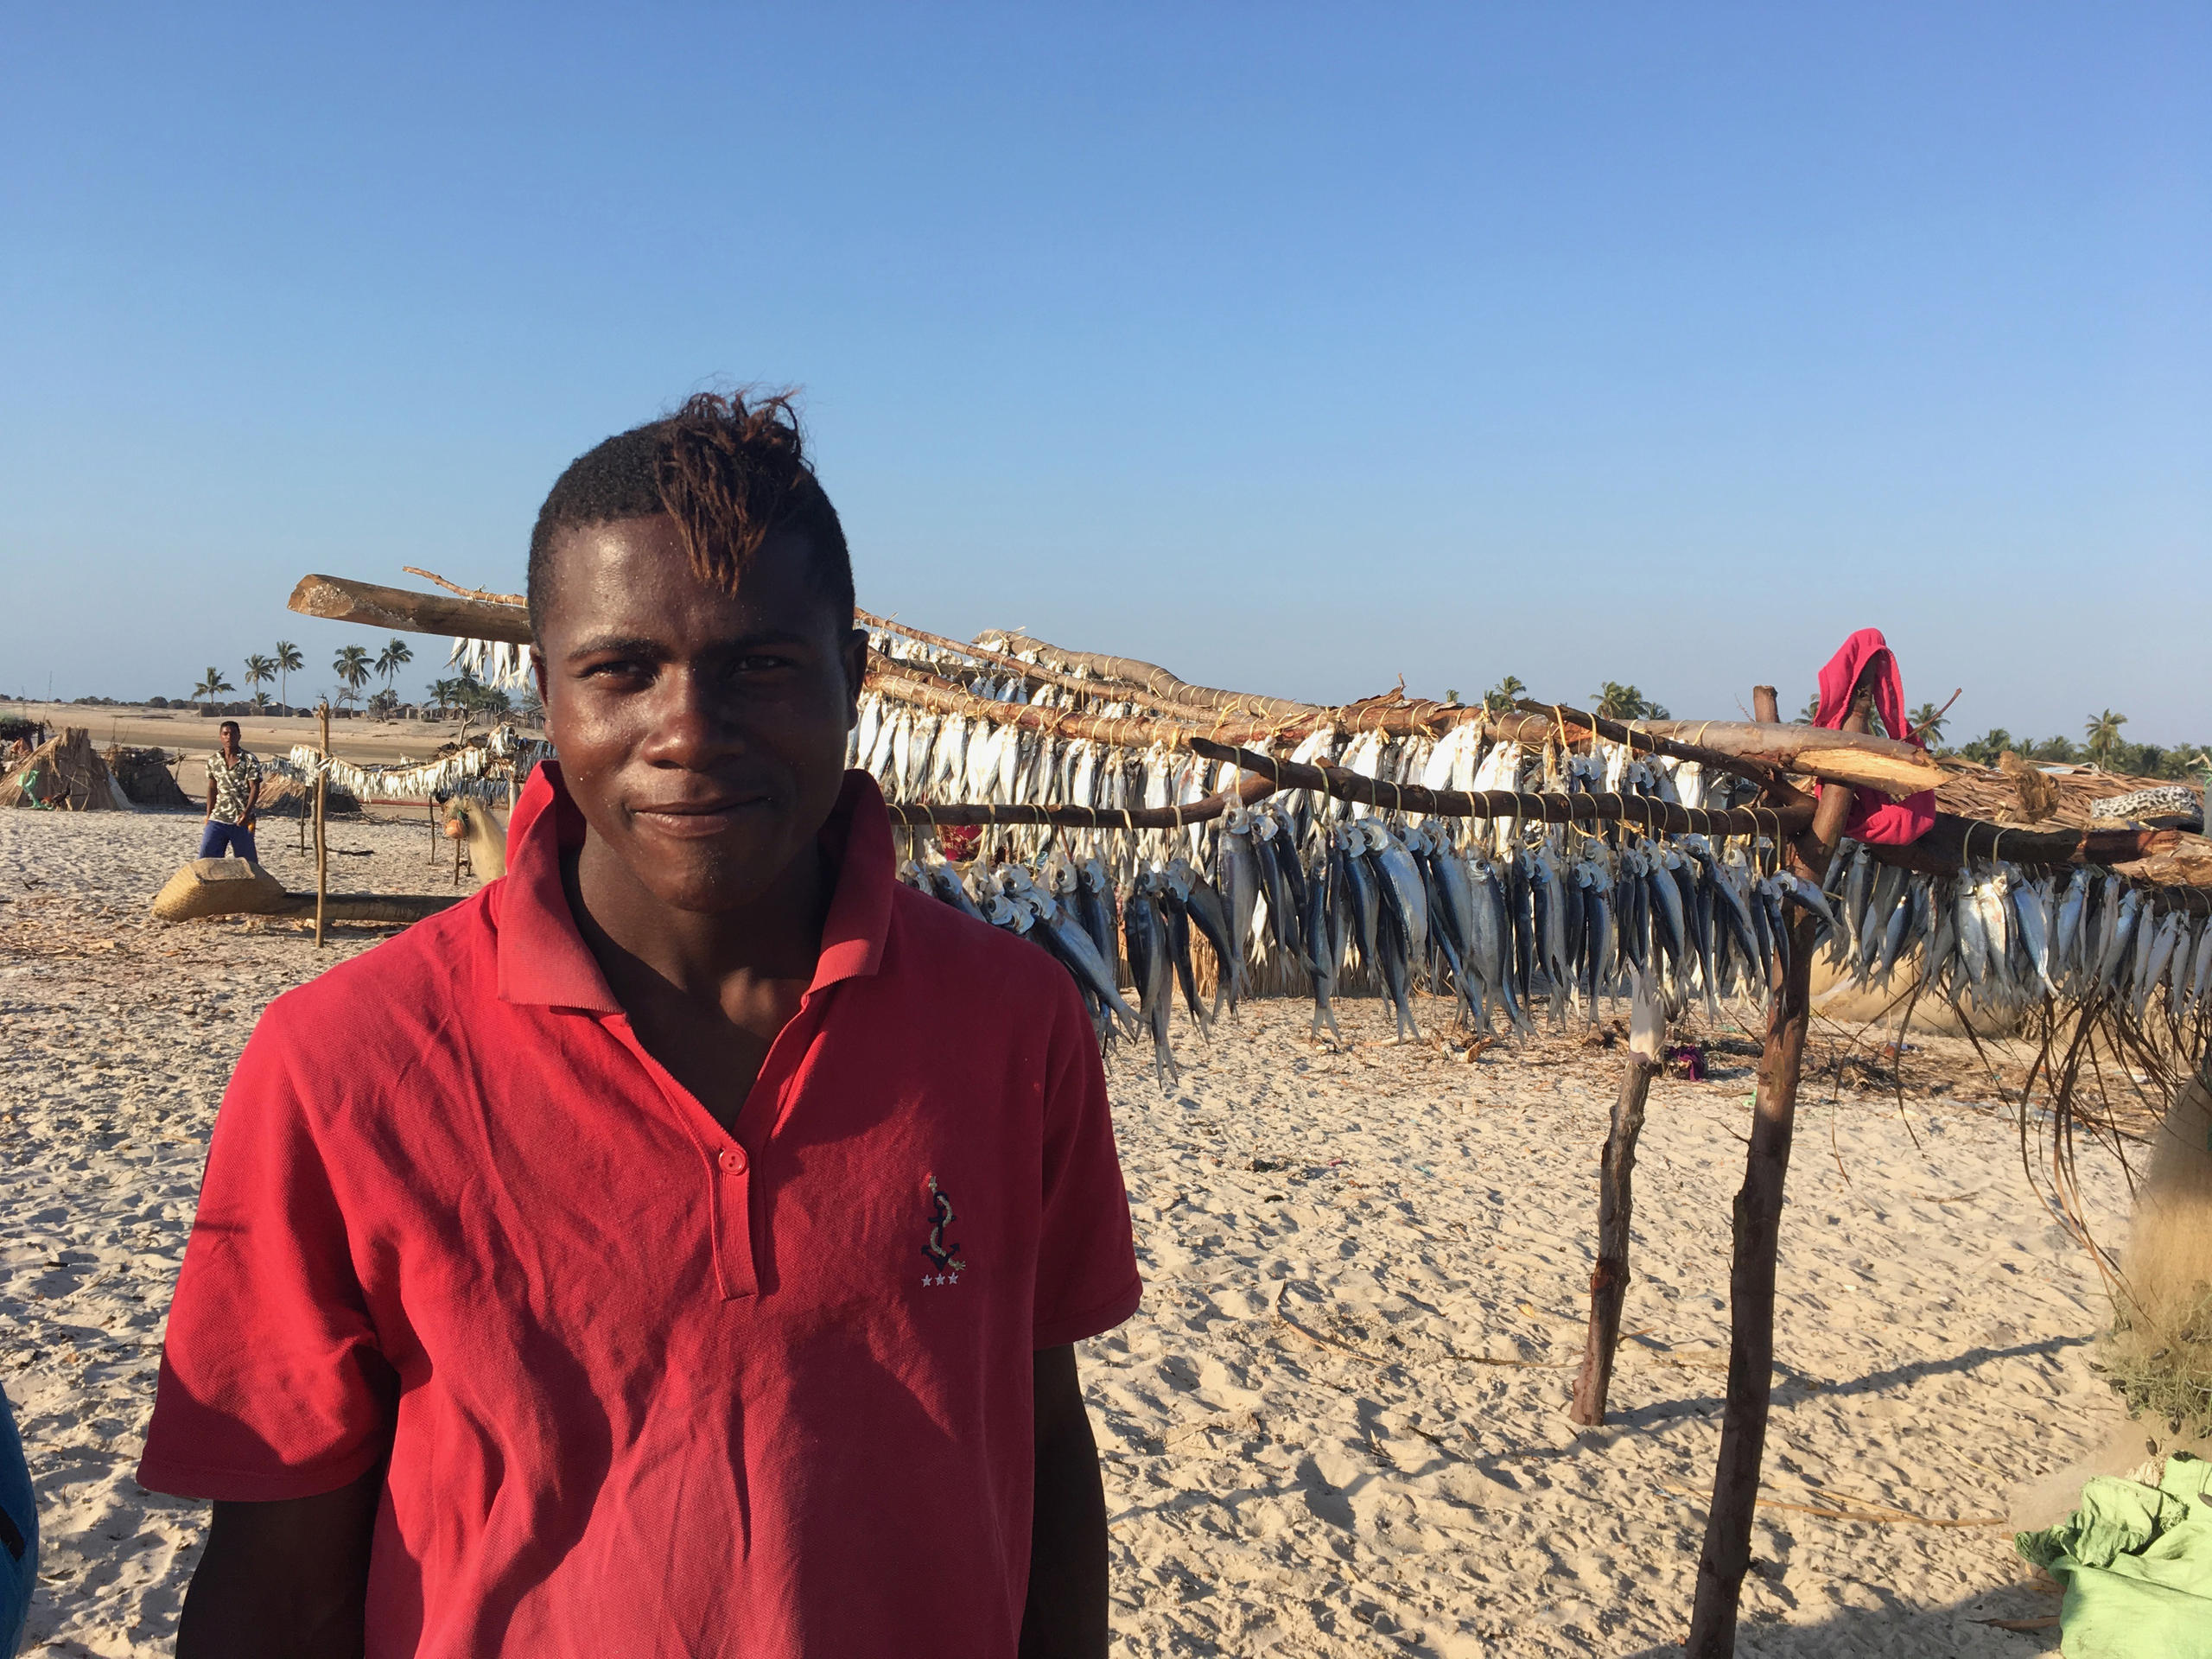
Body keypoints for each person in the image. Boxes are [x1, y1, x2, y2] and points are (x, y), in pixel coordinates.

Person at [137, 391, 1141, 1658]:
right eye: (622, 670)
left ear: (856, 680)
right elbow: (277, 1581)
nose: (688, 734)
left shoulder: (1013, 1026)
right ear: (547, 692)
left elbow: (1042, 1438)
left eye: (761, 665)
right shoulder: (342, 1063)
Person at [200, 720, 261, 861]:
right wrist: (209, 815)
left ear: (239, 736)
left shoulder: (249, 760)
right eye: (225, 734)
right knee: (206, 860)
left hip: (241, 820)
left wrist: (247, 812)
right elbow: (212, 788)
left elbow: (255, 787)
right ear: (220, 737)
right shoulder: (213, 760)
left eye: (233, 734)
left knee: (247, 864)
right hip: (218, 818)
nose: (229, 737)